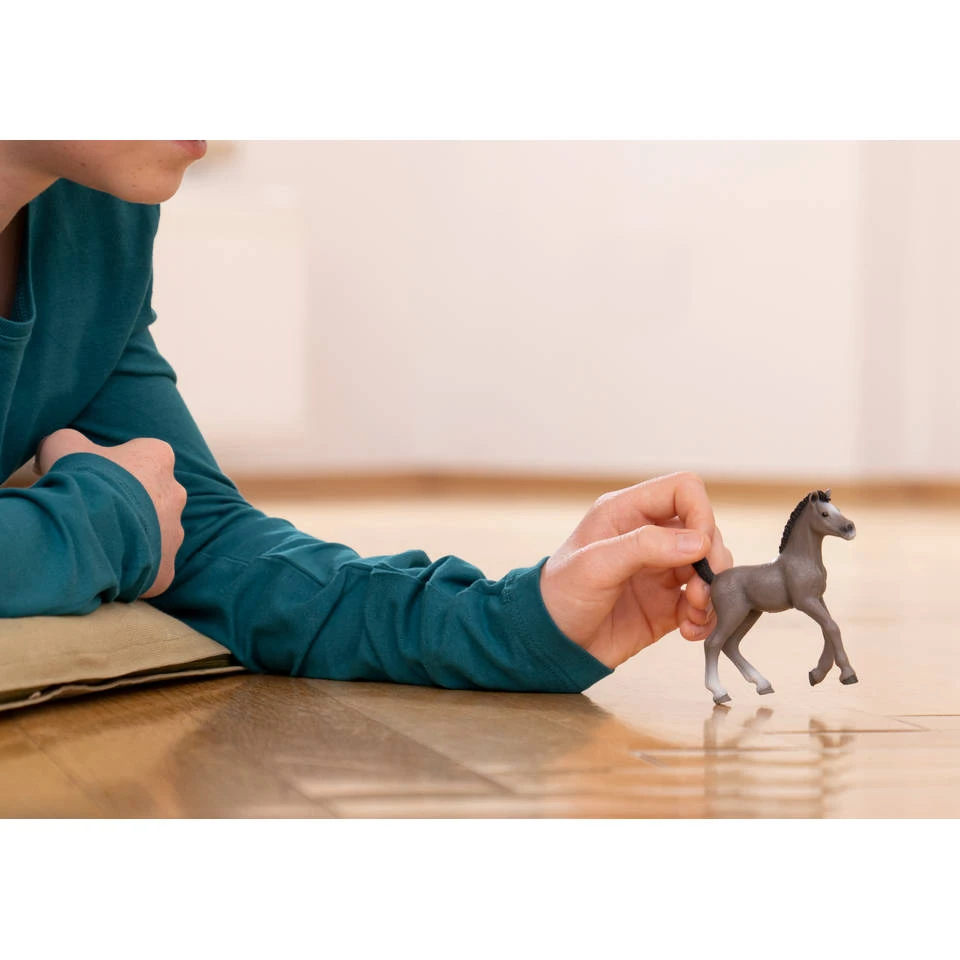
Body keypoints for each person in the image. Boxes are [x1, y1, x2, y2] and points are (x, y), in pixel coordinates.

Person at [0, 140, 732, 692]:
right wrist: (106, 520)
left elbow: (203, 538)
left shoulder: (99, 217)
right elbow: (140, 514)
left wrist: (517, 620)